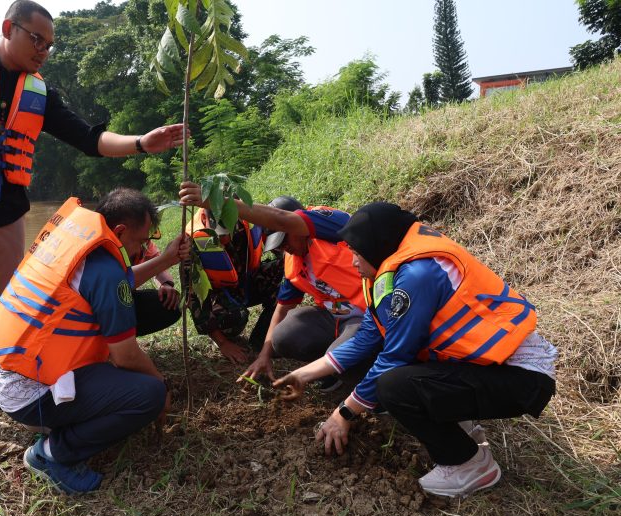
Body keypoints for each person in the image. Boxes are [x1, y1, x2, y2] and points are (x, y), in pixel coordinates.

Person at [0, 0, 187, 439]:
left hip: (7, 210)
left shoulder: (39, 91)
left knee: (7, 305)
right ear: (9, 28)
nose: (43, 50)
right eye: (36, 39)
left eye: (49, 44)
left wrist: (142, 142)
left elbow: (89, 138)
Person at [273, 202, 557, 498]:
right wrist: (301, 376)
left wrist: (343, 413)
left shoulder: (416, 276)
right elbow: (365, 338)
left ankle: (468, 465)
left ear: (375, 247)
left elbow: (395, 357)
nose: (353, 262)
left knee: (394, 385)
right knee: (392, 377)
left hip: (522, 376)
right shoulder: (388, 274)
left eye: (356, 254)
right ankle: (464, 430)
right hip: (487, 366)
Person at [0, 188, 186, 494]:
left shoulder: (76, 241)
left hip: (7, 368)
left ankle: (66, 420)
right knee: (150, 394)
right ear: (119, 231)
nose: (143, 249)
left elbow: (119, 282)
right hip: (28, 392)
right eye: (141, 242)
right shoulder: (105, 270)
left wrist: (165, 259)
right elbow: (125, 356)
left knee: (132, 379)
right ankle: (51, 455)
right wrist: (162, 385)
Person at [178, 183, 370, 389]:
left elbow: (280, 218)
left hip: (369, 312)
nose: (282, 247)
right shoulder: (197, 242)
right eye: (277, 243)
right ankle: (335, 364)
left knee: (346, 359)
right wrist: (263, 354)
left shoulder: (328, 226)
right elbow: (282, 306)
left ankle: (368, 382)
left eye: (284, 238)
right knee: (281, 334)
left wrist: (216, 200)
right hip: (334, 315)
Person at [185, 206, 284, 363]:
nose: (225, 240)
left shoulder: (248, 221)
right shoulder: (192, 243)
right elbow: (193, 297)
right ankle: (226, 333)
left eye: (227, 232)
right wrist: (222, 343)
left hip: (247, 281)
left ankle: (260, 340)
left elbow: (280, 244)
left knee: (284, 272)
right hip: (221, 294)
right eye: (218, 234)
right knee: (234, 319)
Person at [129, 237, 182, 337]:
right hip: (103, 307)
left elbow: (154, 260)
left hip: (122, 302)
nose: (145, 242)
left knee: (170, 304)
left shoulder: (142, 239)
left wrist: (166, 283)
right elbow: (118, 284)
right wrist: (166, 259)